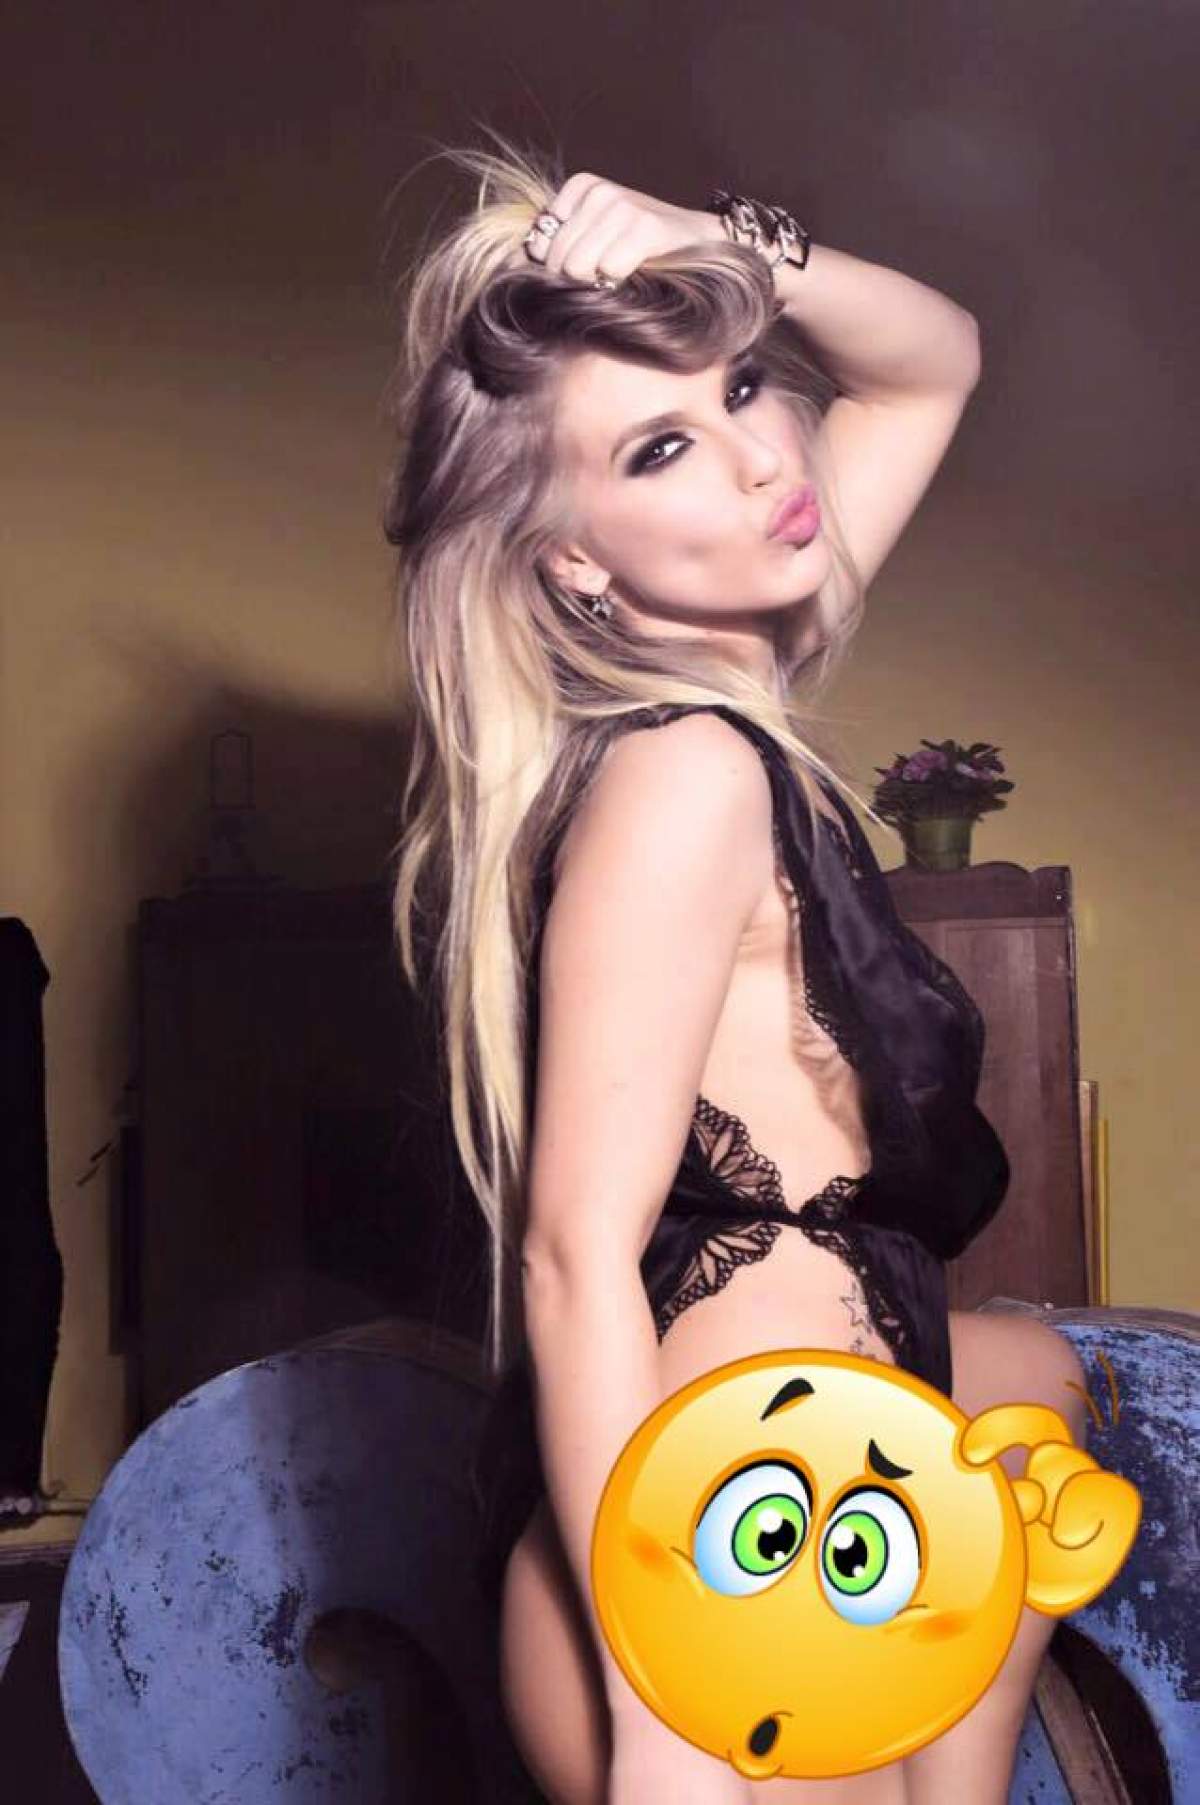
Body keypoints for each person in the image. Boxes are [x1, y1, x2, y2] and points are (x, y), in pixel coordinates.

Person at [384, 130, 1089, 1805]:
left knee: (1033, 1379)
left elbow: (936, 358)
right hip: (735, 1549)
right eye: (663, 447)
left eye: (746, 387)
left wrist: (708, 241)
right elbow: (572, 1251)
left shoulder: (738, 668)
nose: (763, 454)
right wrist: (661, 1713)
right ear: (572, 557)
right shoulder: (686, 771)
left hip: (836, 1489)